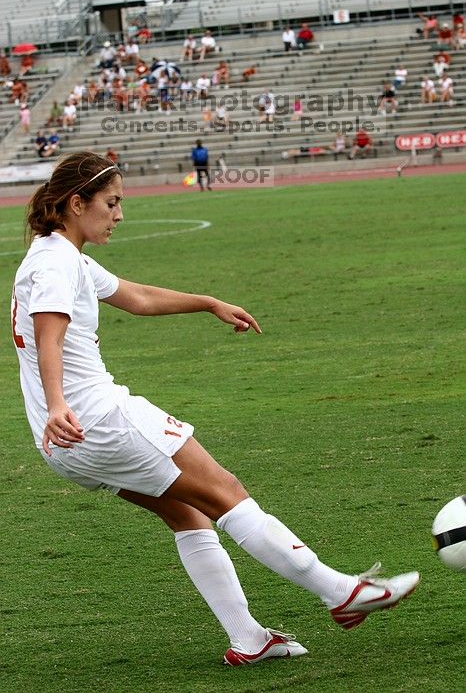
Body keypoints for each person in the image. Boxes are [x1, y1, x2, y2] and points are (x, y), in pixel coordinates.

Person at [11, 152, 420, 666]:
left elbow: (135, 296)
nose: (119, 215)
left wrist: (207, 302)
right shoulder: (55, 262)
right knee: (225, 492)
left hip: (66, 443)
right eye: (111, 203)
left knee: (189, 515)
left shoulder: (61, 255)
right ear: (76, 203)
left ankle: (249, 638)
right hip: (95, 419)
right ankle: (341, 592)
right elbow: (50, 335)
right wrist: (57, 404)